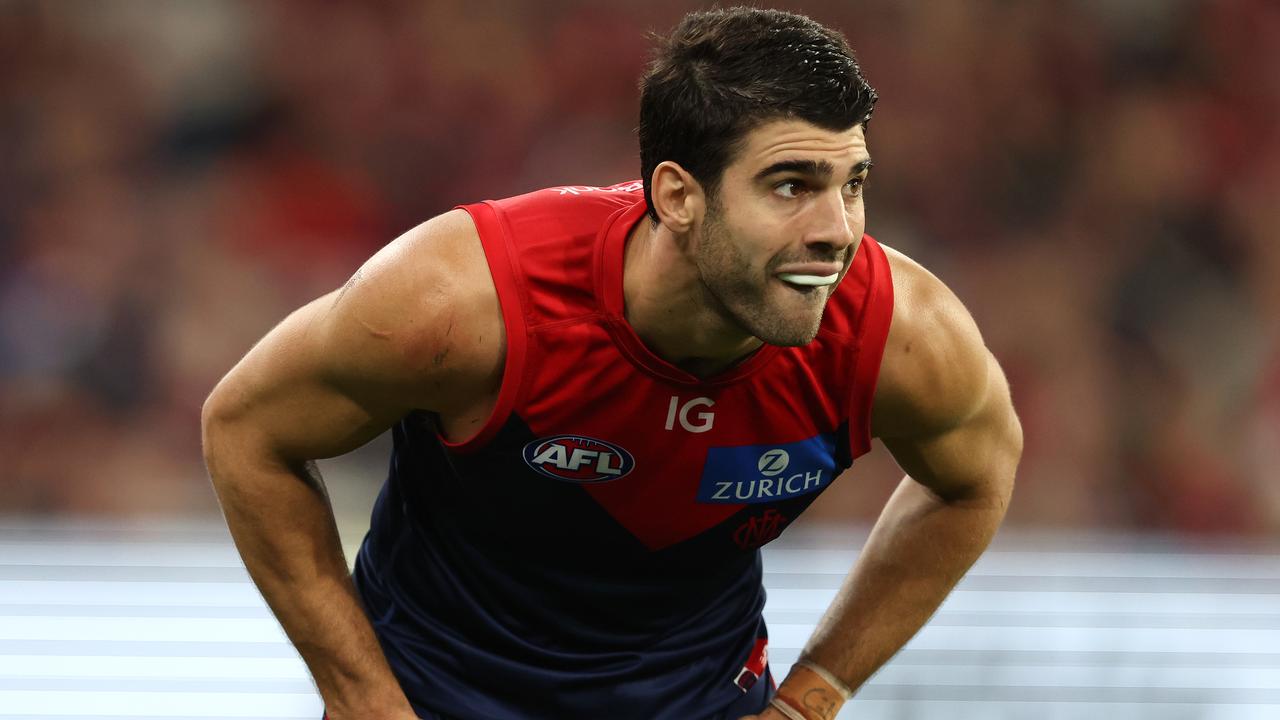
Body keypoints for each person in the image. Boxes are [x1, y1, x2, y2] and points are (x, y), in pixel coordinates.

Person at [201, 7, 1020, 720]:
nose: (837, 229)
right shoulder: (465, 303)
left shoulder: (897, 333)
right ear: (676, 195)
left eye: (852, 184)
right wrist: (364, 702)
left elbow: (977, 476)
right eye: (790, 185)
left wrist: (814, 696)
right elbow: (246, 429)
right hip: (440, 698)